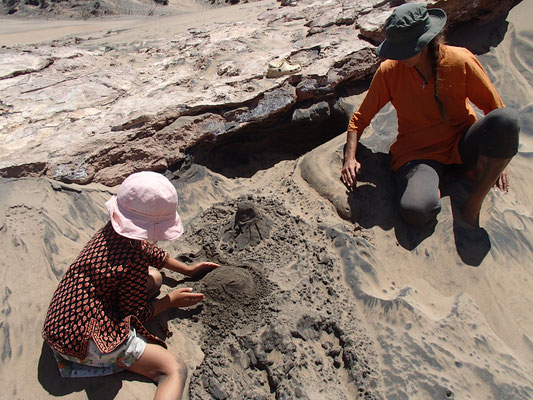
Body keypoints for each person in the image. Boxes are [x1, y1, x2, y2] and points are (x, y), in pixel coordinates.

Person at [42, 171, 219, 400]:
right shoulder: (132, 262)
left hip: (60, 320)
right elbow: (134, 315)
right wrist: (170, 301)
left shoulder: (113, 231)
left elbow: (146, 251)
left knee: (154, 278)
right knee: (174, 370)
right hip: (83, 342)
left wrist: (186, 269)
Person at [341, 3, 520, 227]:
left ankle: (474, 204)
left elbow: (495, 110)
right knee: (416, 210)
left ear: (423, 44)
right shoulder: (390, 71)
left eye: (403, 50)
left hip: (462, 143)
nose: (398, 56)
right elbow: (359, 120)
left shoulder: (460, 60)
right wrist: (350, 157)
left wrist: (500, 161)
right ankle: (436, 180)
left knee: (508, 120)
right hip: (418, 154)